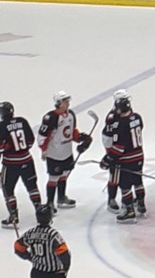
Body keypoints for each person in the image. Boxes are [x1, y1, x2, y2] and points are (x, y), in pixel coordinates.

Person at [36, 92, 90, 215]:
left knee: (64, 174)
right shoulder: (51, 117)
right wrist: (44, 149)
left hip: (67, 151)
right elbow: (42, 135)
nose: (68, 103)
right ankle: (49, 203)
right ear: (59, 103)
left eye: (68, 101)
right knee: (53, 178)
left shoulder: (71, 114)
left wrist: (81, 138)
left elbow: (72, 131)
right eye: (65, 101)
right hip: (54, 153)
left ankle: (61, 198)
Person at [101, 90, 146, 223]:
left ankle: (129, 212)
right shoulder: (137, 117)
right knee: (138, 181)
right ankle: (141, 205)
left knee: (125, 185)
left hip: (126, 159)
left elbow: (119, 147)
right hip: (139, 156)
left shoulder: (121, 124)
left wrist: (108, 159)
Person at [0, 101, 42, 230]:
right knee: (32, 187)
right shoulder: (22, 121)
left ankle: (14, 217)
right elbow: (30, 140)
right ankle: (42, 215)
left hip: (11, 163)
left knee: (8, 189)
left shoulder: (2, 126)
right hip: (27, 160)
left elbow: (1, 146)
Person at [14, 204, 70, 278]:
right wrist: (65, 268)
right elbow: (64, 253)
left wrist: (29, 257)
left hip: (37, 273)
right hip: (54, 275)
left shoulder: (30, 233)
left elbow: (18, 247)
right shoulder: (53, 234)